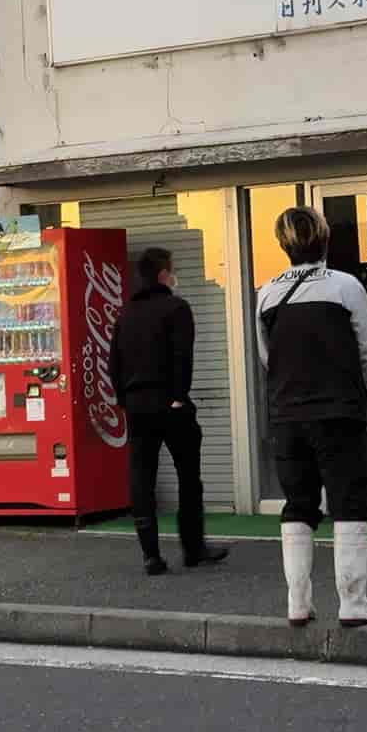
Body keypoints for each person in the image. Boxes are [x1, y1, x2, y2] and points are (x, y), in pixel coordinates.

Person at [256, 206, 367, 627]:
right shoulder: (346, 287)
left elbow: (266, 356)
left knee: (298, 503)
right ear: (325, 240)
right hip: (337, 410)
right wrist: (353, 388)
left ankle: (298, 602)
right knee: (349, 502)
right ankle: (353, 601)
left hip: (287, 412)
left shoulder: (268, 292)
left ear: (283, 244)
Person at [109, 247, 229, 576]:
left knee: (141, 478)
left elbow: (113, 364)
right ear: (164, 274)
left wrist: (124, 399)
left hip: (136, 407)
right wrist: (178, 396)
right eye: (172, 269)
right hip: (170, 405)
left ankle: (151, 555)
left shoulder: (126, 314)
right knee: (189, 477)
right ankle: (193, 548)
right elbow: (182, 356)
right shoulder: (177, 308)